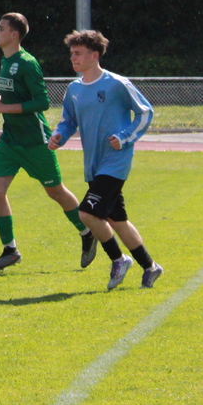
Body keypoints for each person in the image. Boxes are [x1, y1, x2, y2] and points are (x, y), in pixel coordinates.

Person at [48, 30, 162, 291]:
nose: (73, 58)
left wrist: (124, 137)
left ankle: (118, 259)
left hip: (115, 161)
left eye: (78, 53)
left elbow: (145, 112)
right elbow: (68, 122)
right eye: (71, 53)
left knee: (87, 213)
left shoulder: (117, 84)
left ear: (94, 55)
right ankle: (150, 266)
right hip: (93, 164)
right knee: (116, 220)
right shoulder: (74, 89)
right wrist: (58, 136)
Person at [0, 12, 95, 272]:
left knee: (55, 191)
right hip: (10, 140)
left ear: (14, 34)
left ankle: (87, 231)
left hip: (35, 141)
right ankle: (10, 250)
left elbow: (42, 102)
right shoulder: (5, 61)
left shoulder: (27, 63)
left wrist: (3, 107)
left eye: (1, 28)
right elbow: (16, 98)